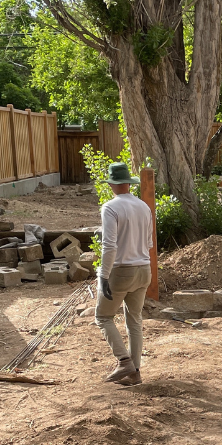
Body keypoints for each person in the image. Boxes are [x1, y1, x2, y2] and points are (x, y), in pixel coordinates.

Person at [94, 162, 153, 386]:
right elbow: (149, 243)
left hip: (121, 271)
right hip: (144, 269)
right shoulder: (144, 207)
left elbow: (109, 246)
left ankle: (123, 361)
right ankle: (135, 373)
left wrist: (103, 274)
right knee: (134, 320)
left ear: (111, 184)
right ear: (129, 183)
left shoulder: (110, 207)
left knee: (103, 317)